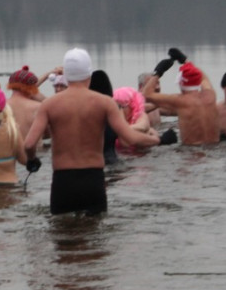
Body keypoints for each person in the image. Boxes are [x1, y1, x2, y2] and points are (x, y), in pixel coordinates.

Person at [24, 48, 161, 215]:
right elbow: (130, 137)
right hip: (93, 179)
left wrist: (32, 160)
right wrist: (156, 140)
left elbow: (29, 144)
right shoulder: (105, 103)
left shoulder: (49, 104)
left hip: (63, 180)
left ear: (66, 75)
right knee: (96, 237)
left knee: (63, 235)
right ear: (89, 75)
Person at [142, 48, 220, 146]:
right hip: (214, 151)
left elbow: (146, 94)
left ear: (180, 83)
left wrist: (158, 72)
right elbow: (203, 78)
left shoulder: (179, 101)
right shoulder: (211, 95)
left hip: (191, 155)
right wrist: (185, 61)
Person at [112, 86, 161, 151]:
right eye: (117, 106)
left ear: (132, 105)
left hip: (140, 156)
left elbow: (143, 126)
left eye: (123, 106)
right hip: (122, 155)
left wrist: (121, 130)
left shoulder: (141, 116)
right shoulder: (112, 120)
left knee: (150, 131)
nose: (119, 110)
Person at [6, 65, 45, 142]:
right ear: (32, 88)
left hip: (9, 152)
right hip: (34, 152)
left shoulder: (2, 106)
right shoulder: (38, 107)